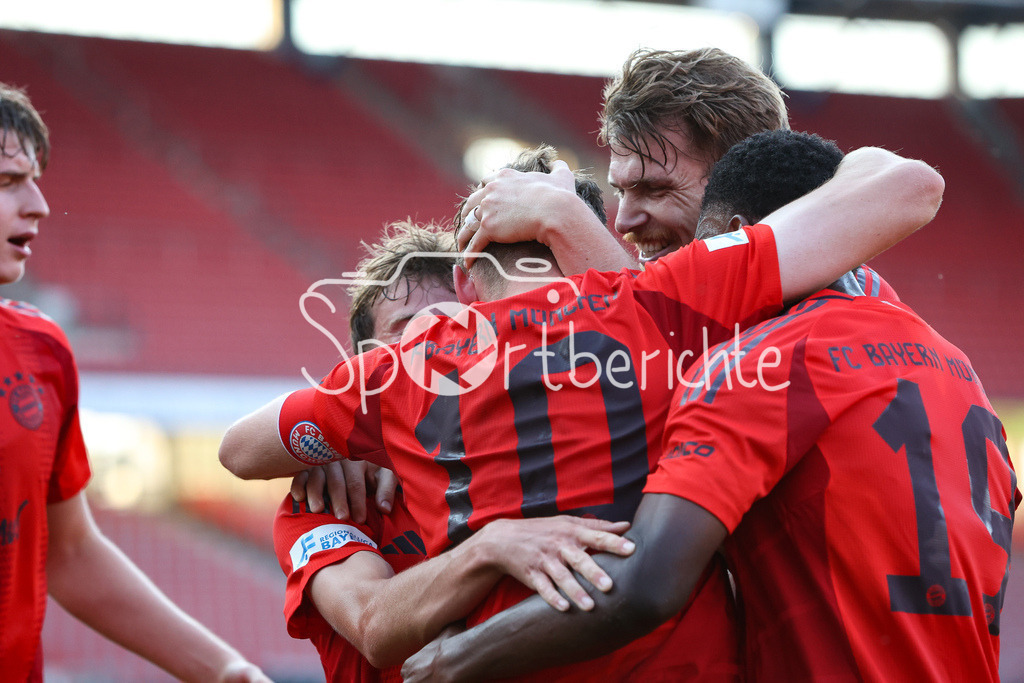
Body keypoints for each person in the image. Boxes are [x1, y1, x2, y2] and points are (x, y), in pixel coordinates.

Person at [222, 139, 943, 680]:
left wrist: (341, 436)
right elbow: (909, 186)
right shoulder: (661, 305)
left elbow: (241, 449)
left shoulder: (394, 373)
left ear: (469, 277)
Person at [400, 131, 1017, 682]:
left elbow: (644, 586)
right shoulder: (953, 366)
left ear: (734, 238)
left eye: (701, 247)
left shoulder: (757, 365)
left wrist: (457, 658)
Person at [273, 219, 635, 681]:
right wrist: (489, 546)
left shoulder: (540, 456)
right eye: (407, 331)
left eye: (456, 324)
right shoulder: (329, 501)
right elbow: (371, 624)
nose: (435, 346)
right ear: (361, 366)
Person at [0, 84, 270, 681]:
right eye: (6, 183)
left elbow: (68, 551)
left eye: (34, 179)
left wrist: (223, 669)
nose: (39, 204)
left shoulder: (41, 352)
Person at [457, 47, 788, 269]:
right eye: (620, 191)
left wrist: (561, 215)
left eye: (656, 190)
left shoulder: (814, 334)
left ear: (749, 184)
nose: (622, 223)